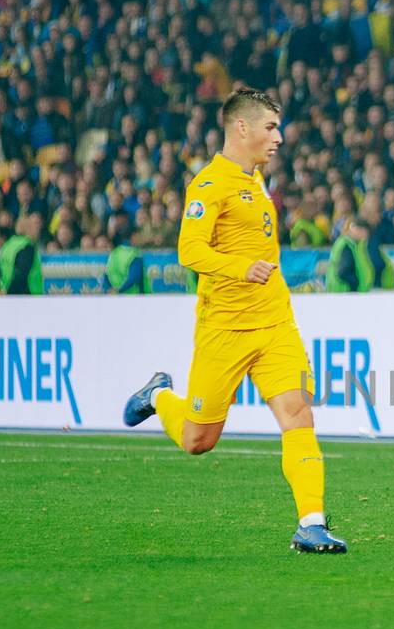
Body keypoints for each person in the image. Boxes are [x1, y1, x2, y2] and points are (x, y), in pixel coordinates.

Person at [121, 88, 344, 554]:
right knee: (198, 440)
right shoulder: (209, 184)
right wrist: (241, 267)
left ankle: (311, 523)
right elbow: (190, 250)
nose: (279, 137)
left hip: (275, 322)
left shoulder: (255, 179)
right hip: (224, 327)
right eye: (270, 127)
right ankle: (158, 394)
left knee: (299, 413)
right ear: (241, 128)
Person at [0, 211, 45, 294]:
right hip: (26, 295)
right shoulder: (26, 247)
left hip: (4, 291)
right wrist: (9, 293)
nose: (38, 229)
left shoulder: (8, 244)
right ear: (28, 228)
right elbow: (21, 275)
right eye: (35, 226)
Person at [326, 215, 375, 292]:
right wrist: (356, 285)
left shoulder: (349, 244)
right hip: (345, 293)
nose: (365, 238)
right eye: (365, 233)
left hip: (342, 292)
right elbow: (344, 271)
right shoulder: (347, 245)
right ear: (357, 229)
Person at [105, 225, 148, 293]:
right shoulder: (135, 254)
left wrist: (112, 290)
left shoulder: (114, 253)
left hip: (116, 298)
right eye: (140, 235)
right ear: (134, 236)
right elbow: (134, 277)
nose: (142, 238)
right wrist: (119, 290)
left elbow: (107, 275)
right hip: (134, 297)